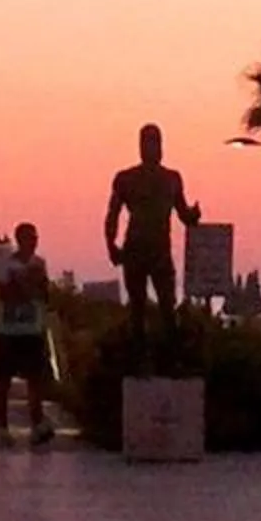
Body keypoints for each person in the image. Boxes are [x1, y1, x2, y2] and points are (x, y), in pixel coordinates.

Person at [104, 122, 203, 362]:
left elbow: (183, 214)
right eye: (148, 142)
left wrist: (193, 215)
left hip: (159, 250)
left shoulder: (171, 179)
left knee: (166, 306)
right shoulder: (127, 179)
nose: (152, 148)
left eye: (155, 142)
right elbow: (113, 214)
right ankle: (141, 358)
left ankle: (169, 358)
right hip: (137, 249)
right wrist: (111, 245)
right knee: (138, 308)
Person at [0, 222, 54, 445]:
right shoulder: (6, 263)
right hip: (9, 330)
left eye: (36, 237)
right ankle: (3, 428)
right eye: (30, 237)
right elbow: (6, 293)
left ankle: (36, 424)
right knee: (3, 380)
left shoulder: (39, 264)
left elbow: (43, 293)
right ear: (20, 239)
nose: (34, 242)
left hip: (32, 329)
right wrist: (28, 285)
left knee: (35, 379)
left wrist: (25, 284)